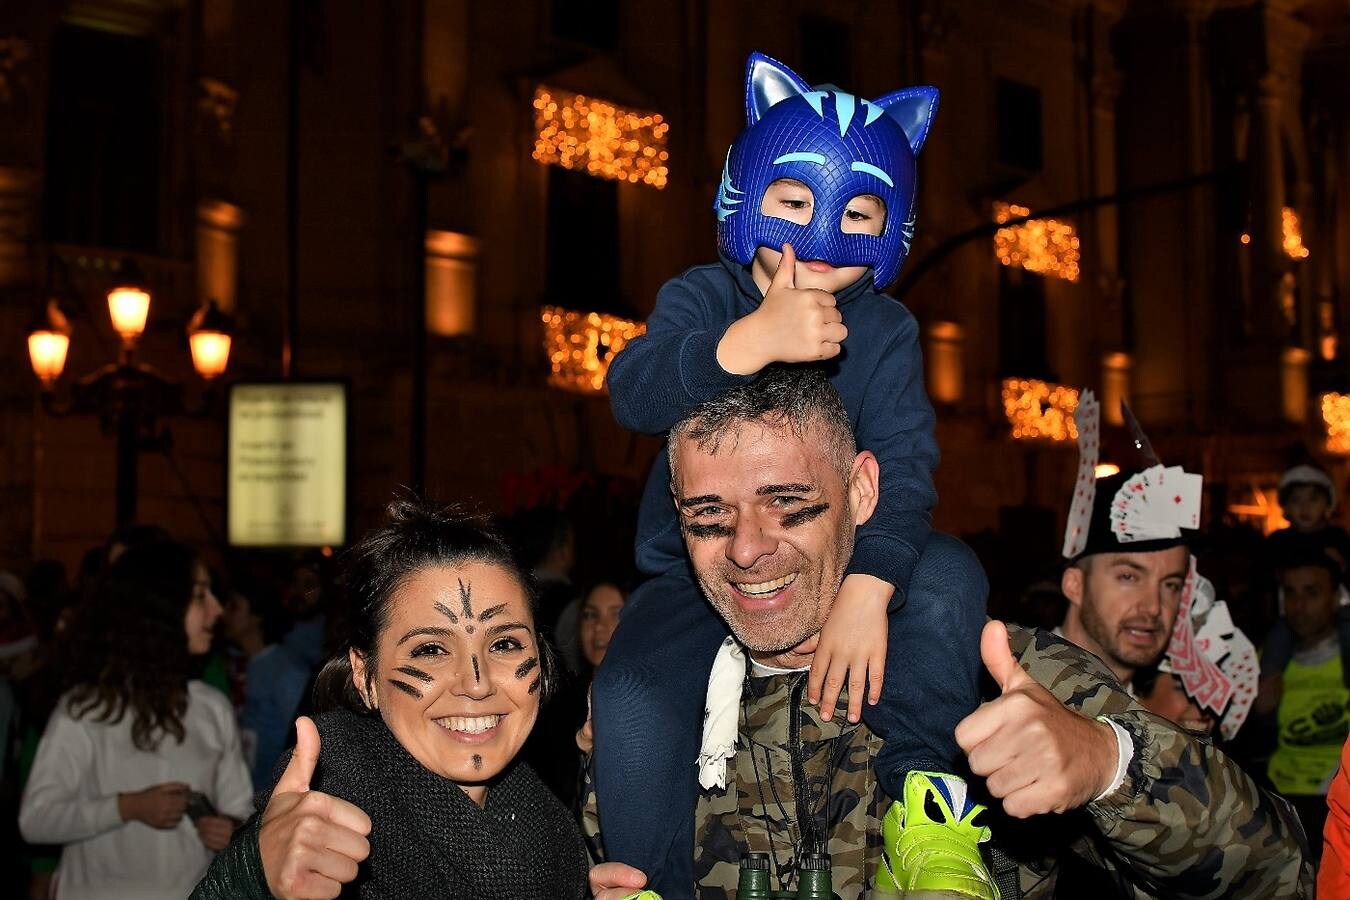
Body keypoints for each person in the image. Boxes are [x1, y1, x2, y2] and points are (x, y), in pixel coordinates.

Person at [583, 367, 1312, 899]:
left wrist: (1107, 762)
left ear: (863, 491)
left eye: (789, 506)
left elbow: (1278, 873)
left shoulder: (986, 671)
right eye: (709, 519)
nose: (746, 549)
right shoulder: (652, 704)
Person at [597, 50, 989, 893]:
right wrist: (748, 342)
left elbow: (910, 469)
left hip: (847, 563)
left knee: (952, 576)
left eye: (855, 212)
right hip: (693, 579)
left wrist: (870, 588)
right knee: (629, 695)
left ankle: (927, 810)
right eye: (793, 202)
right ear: (748, 196)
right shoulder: (704, 296)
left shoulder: (885, 330)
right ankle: (642, 883)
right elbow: (631, 391)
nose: (820, 233)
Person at [192, 499, 589, 899]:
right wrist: (250, 878)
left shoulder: (554, 836)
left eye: (504, 643)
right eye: (430, 649)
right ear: (365, 676)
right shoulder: (326, 832)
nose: (476, 683)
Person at [18, 540, 254, 900]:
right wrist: (126, 807)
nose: (217, 609)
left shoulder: (211, 707)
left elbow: (240, 806)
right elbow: (36, 820)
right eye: (200, 596)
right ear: (158, 610)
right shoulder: (86, 709)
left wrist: (231, 828)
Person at [1257, 547, 1349, 855]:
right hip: (1282, 805)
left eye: (1312, 593)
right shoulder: (1262, 666)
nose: (1299, 606)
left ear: (1337, 598)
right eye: (1290, 593)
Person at [1260, 463, 1350, 687]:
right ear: (1285, 507)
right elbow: (1263, 579)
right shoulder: (1278, 541)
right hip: (1287, 613)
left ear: (1328, 504)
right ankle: (1266, 700)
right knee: (1274, 649)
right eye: (1296, 500)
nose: (1305, 507)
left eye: (1313, 500)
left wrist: (1341, 564)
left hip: (1341, 607)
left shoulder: (1337, 537)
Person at [218, 579, 311, 788]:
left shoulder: (287, 672)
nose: (223, 613)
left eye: (234, 607)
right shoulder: (236, 662)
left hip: (270, 793)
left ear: (257, 615)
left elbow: (301, 737)